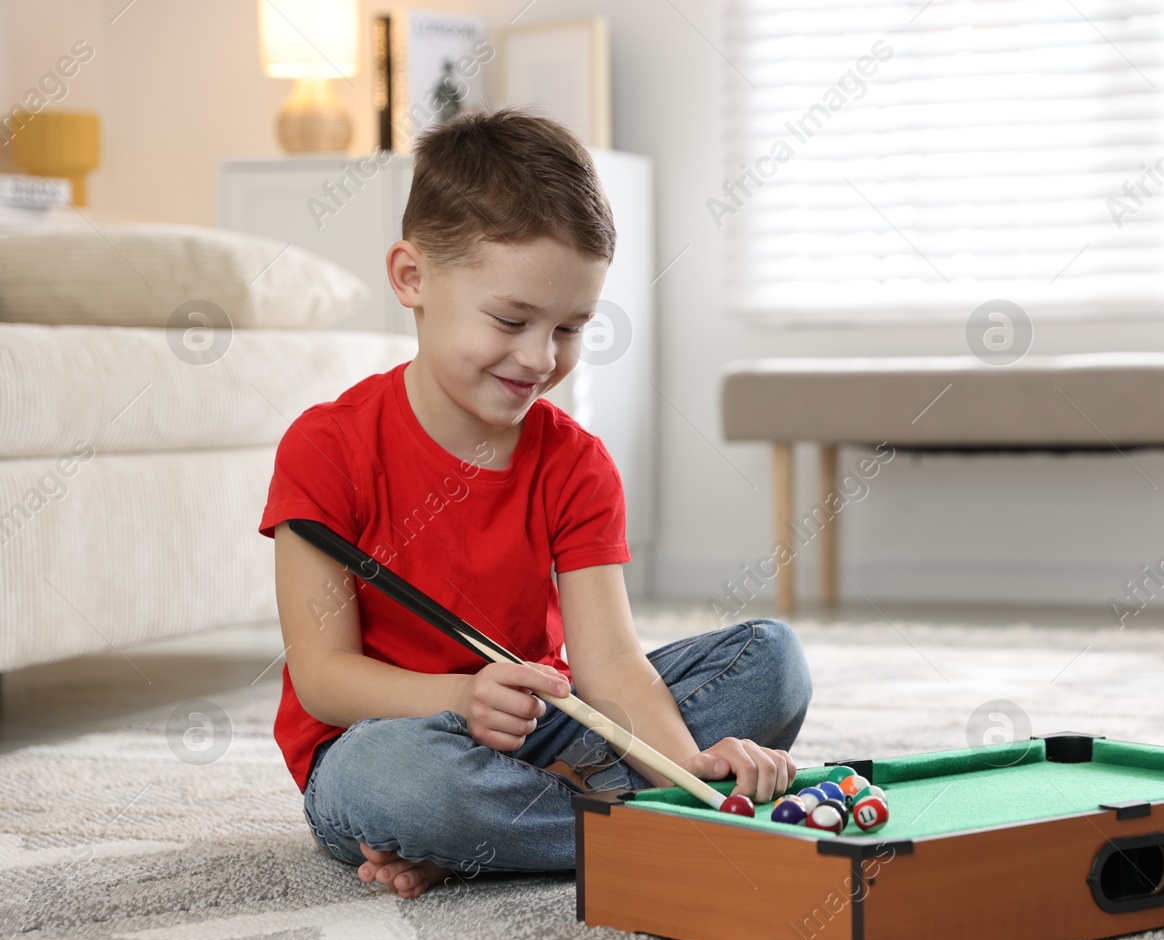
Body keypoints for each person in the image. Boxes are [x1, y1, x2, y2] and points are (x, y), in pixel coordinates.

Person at [260, 110, 811, 899]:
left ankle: (525, 830)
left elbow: (612, 665)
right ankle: (637, 820)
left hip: (543, 731)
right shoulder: (324, 446)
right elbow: (323, 679)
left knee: (772, 662)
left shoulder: (576, 462)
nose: (540, 357)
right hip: (381, 745)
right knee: (411, 784)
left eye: (571, 327)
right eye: (512, 320)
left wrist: (684, 765)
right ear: (412, 278)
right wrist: (460, 696)